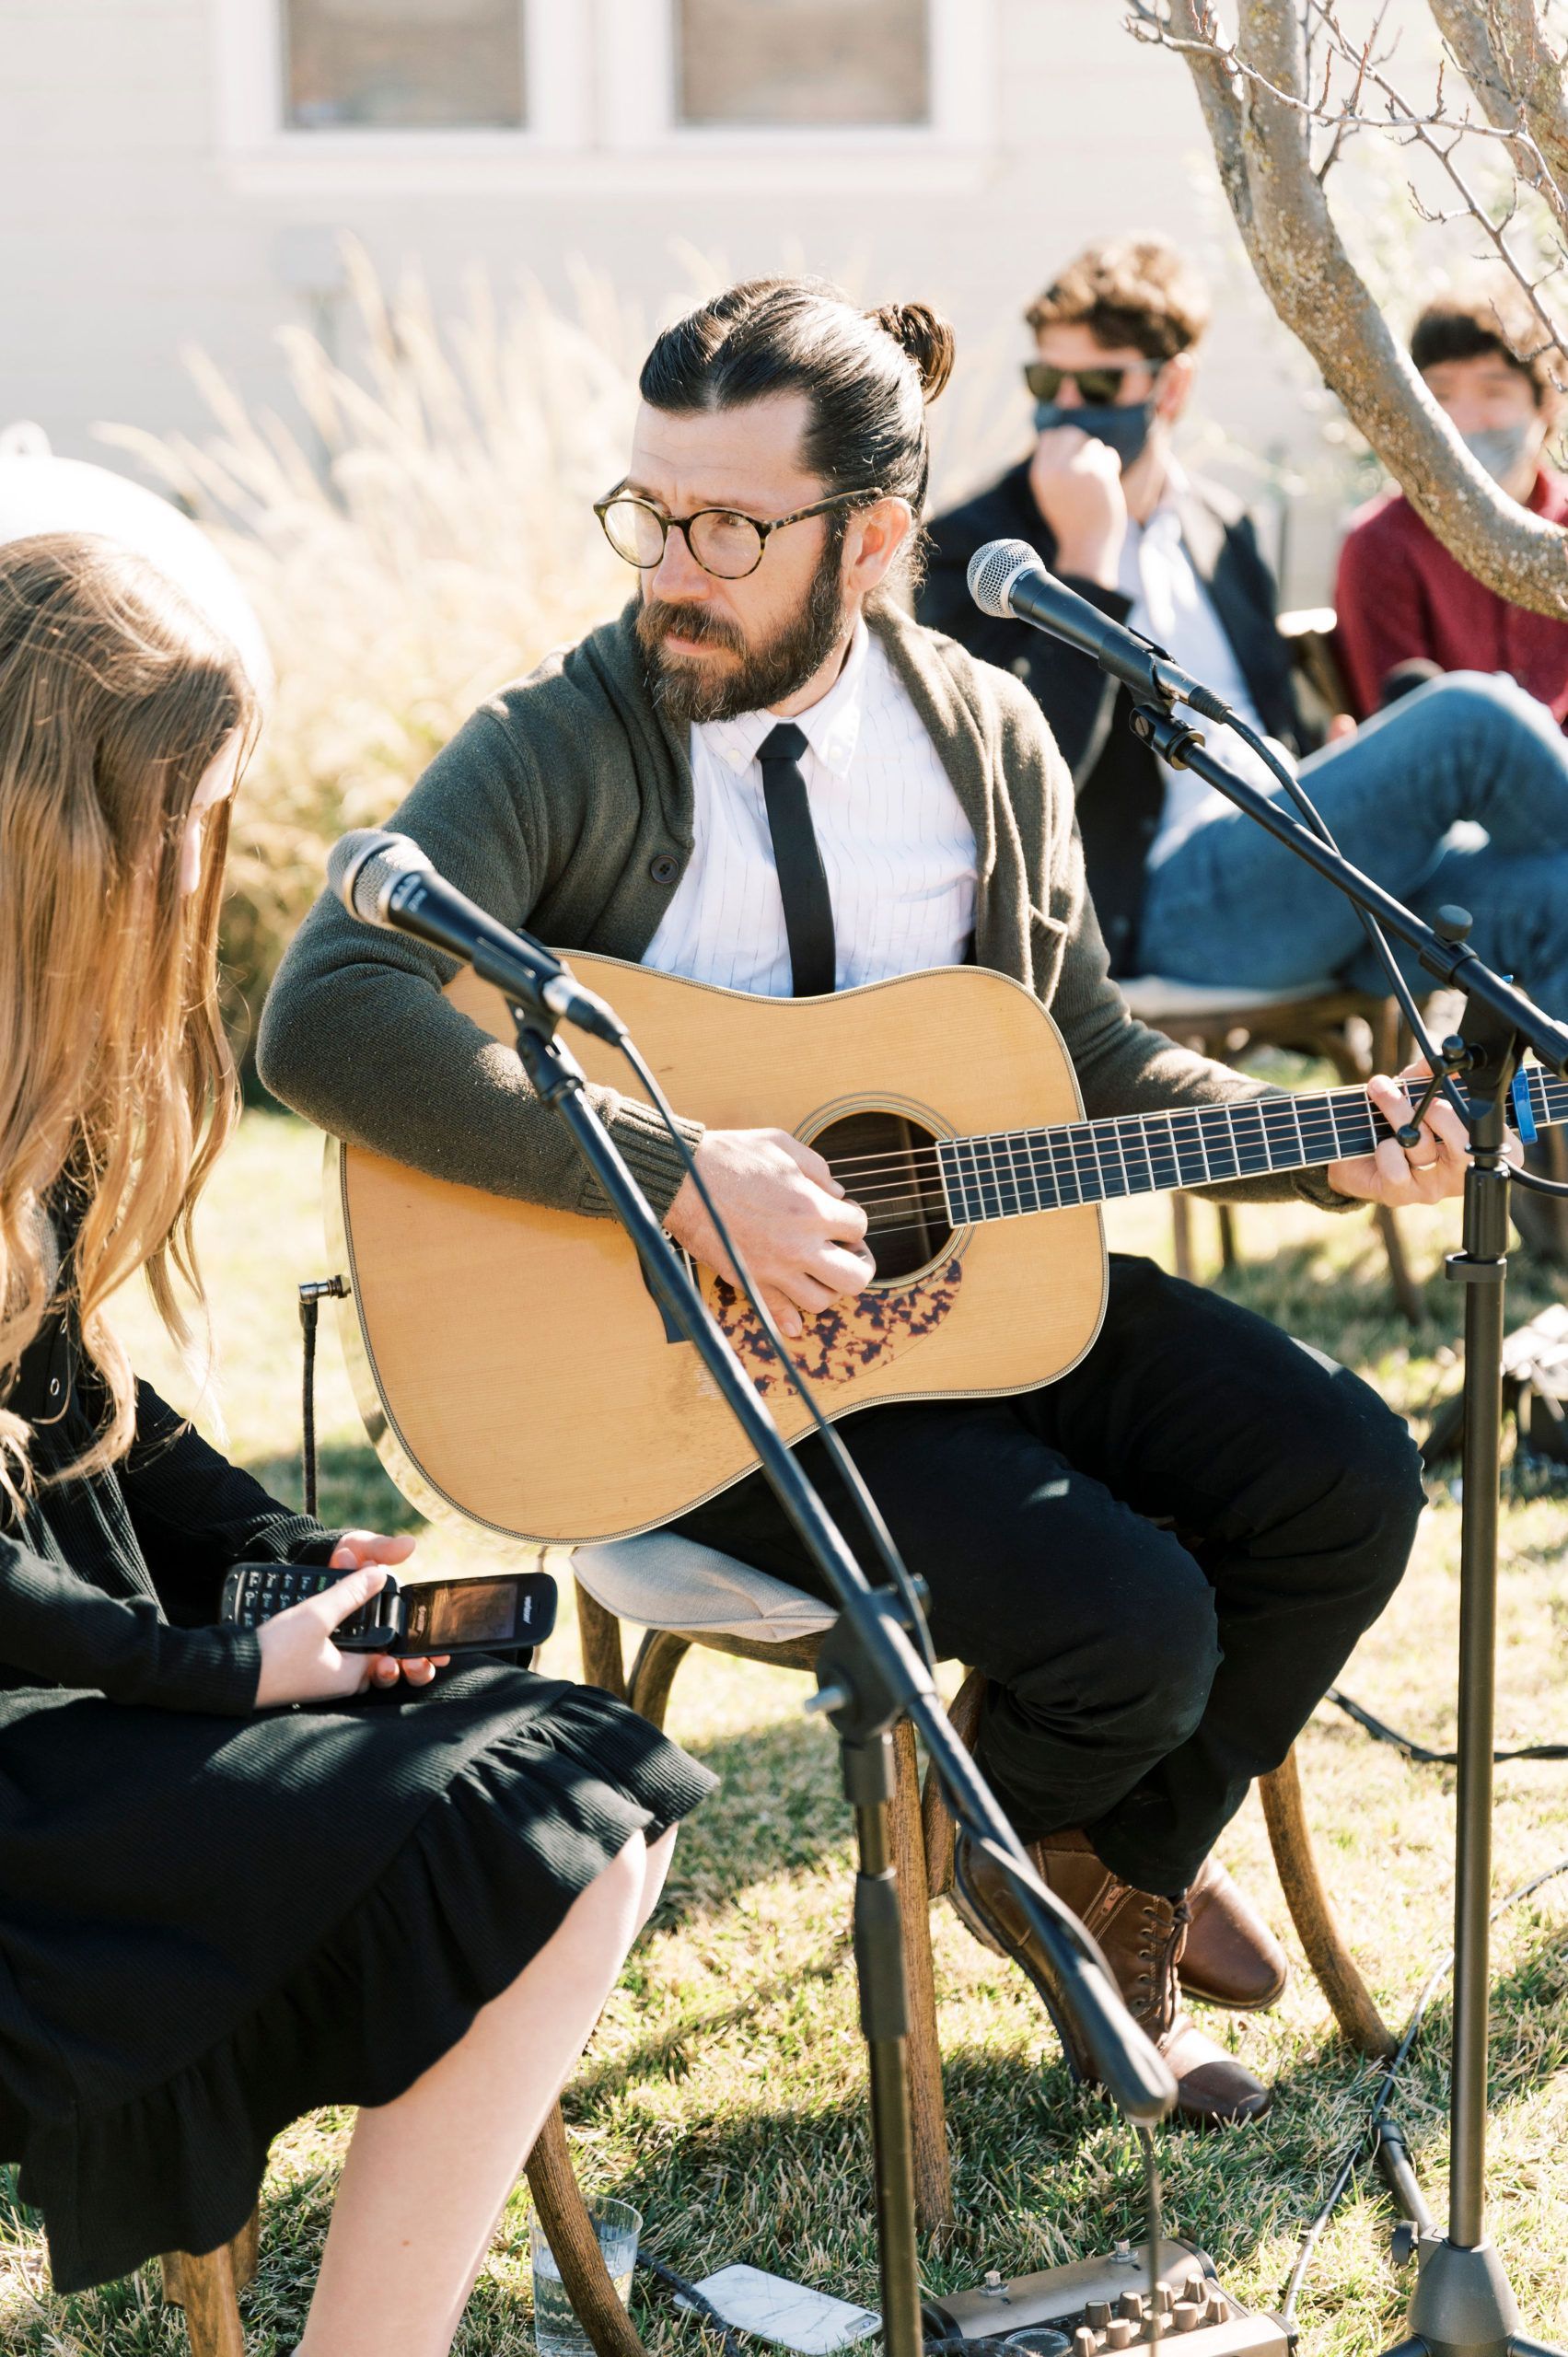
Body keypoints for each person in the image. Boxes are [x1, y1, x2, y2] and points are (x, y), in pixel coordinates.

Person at [261, 276, 1457, 2131]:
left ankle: (1081, 1858)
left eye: (730, 529)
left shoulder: (984, 733)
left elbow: (1076, 1054)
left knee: (1343, 1472)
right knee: (1126, 1618)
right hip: (694, 1369)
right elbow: (324, 1008)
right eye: (651, 511)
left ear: (876, 536)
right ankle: (1072, 1849)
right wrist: (676, 1173)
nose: (672, 571)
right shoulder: (570, 736)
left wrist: (1322, 1138)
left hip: (964, 1305)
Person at [0, 533, 714, 2357]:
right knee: (552, 1817)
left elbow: (67, 1401)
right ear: (65, 820)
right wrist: (228, 1669)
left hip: (70, 1719)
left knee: (581, 1800)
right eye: (186, 819)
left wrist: (281, 1556)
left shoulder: (32, 1069)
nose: (199, 865)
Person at [921, 238, 1568, 1037]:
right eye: (1046, 381)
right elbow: (1012, 787)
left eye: (1100, 382)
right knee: (1472, 719)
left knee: (1558, 900)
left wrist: (1333, 760)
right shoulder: (978, 550)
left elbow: (1265, 722)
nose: (1066, 405)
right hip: (1163, 907)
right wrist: (1084, 560)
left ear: (1171, 386)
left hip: (1309, 871)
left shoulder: (1216, 527)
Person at [1335, 285, 1568, 725]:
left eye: (1494, 392)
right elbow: (1409, 731)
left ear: (1547, 402)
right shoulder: (1381, 544)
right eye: (1440, 395)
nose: (1462, 420)